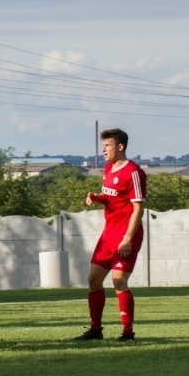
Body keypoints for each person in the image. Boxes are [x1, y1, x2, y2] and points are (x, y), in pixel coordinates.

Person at [74, 128, 146, 343]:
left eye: (107, 145)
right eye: (103, 146)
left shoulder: (133, 172)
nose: (103, 150)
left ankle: (128, 333)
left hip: (126, 237)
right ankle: (95, 330)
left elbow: (138, 208)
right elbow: (111, 198)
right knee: (93, 280)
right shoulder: (108, 169)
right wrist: (97, 197)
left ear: (120, 146)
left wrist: (127, 239)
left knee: (118, 280)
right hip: (108, 236)